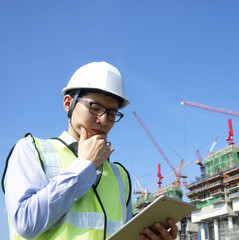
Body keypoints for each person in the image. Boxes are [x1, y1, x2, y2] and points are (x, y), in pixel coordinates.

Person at [2, 61, 178, 240]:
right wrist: (84, 165)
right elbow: (26, 223)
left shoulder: (120, 176)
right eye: (94, 107)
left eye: (111, 113)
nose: (103, 120)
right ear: (68, 103)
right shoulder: (31, 150)